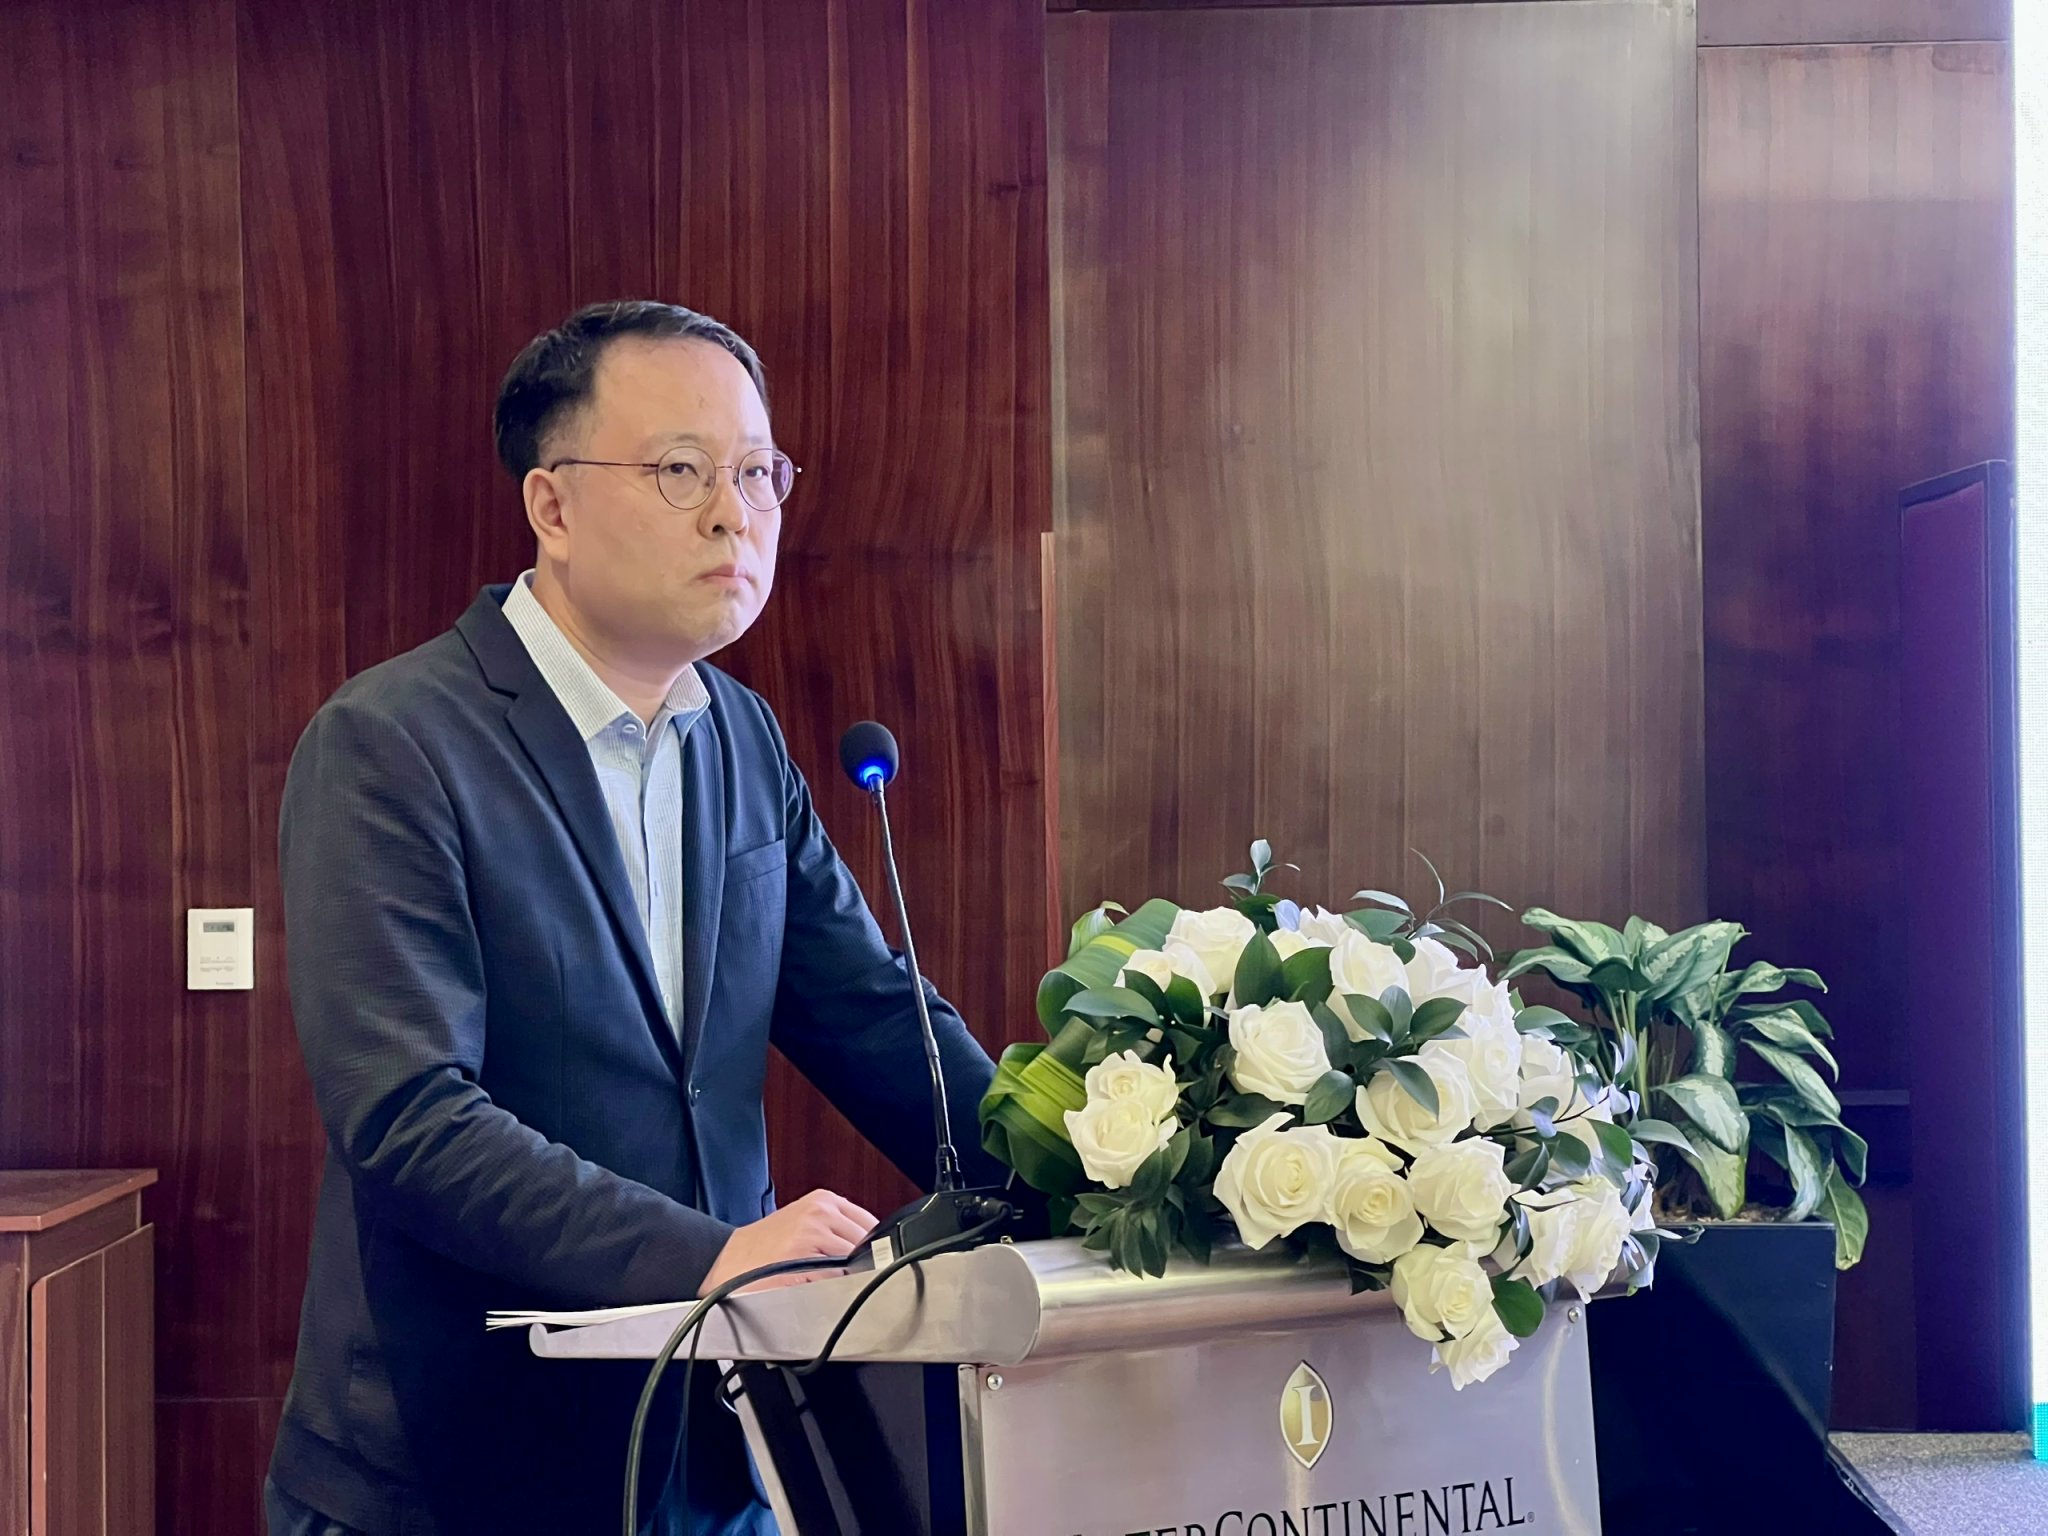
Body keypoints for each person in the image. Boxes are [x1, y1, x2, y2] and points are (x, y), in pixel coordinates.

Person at [263, 300, 998, 1536]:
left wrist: (1107, 1181)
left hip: (713, 1454)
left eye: (757, 473)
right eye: (680, 471)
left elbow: (874, 1016)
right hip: (462, 1466)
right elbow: (407, 1117)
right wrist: (704, 1257)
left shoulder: (740, 737)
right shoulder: (394, 744)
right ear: (551, 508)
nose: (734, 513)